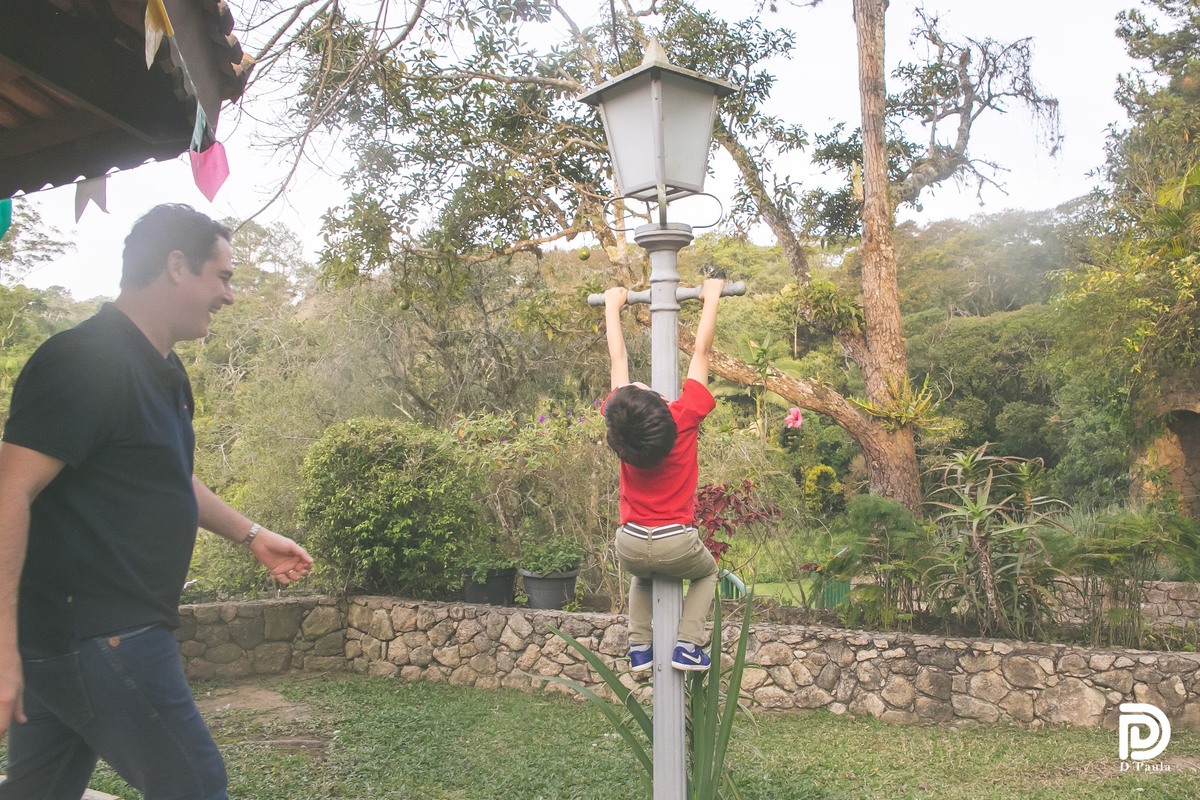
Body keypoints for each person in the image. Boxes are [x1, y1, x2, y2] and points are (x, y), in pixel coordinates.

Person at [0, 204, 314, 799]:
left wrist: (251, 535)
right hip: (102, 634)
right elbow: (8, 490)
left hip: (85, 639)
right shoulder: (83, 361)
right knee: (193, 785)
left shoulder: (163, 369)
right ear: (176, 266)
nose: (230, 295)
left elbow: (167, 476)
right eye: (222, 276)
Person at [602, 278, 724, 672]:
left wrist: (612, 305)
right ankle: (688, 644)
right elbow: (702, 352)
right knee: (708, 574)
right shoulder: (684, 416)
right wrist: (711, 298)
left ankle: (640, 645)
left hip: (630, 542)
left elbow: (617, 361)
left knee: (643, 573)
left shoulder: (622, 428)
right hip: (677, 541)